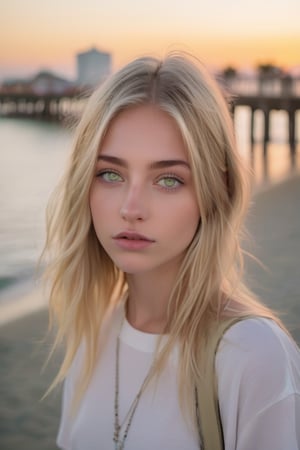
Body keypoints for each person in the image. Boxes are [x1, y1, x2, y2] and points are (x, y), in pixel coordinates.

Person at [43, 53, 300, 450]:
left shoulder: (252, 356)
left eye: (168, 180)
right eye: (110, 174)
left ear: (217, 191)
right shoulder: (90, 333)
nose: (131, 209)